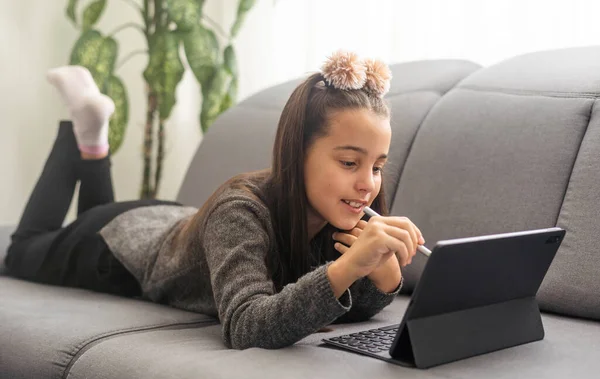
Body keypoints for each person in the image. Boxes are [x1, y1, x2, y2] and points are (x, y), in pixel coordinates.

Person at [5, 50, 425, 349]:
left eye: (376, 167)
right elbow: (247, 327)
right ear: (297, 154)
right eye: (350, 162)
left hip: (174, 223)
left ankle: (93, 137)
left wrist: (383, 279)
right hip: (118, 248)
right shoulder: (240, 210)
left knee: (88, 214)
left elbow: (329, 308)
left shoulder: (337, 216)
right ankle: (81, 130)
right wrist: (349, 267)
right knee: (21, 249)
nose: (368, 184)